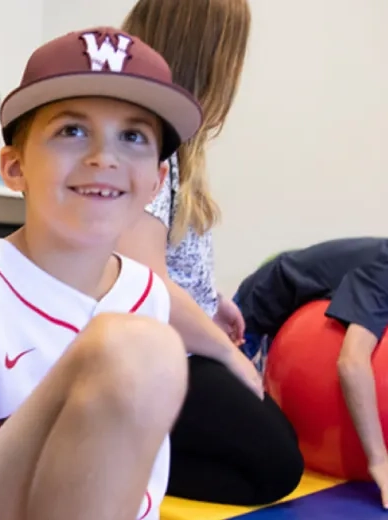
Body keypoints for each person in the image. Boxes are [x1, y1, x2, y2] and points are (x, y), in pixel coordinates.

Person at [0, 27, 201, 520]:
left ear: (158, 181)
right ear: (14, 168)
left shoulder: (148, 295)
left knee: (146, 351)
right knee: (138, 349)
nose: (104, 157)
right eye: (72, 130)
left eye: (133, 136)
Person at [116, 0, 305, 507]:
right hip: (147, 355)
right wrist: (227, 353)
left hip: (178, 343)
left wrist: (209, 298)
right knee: (276, 464)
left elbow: (163, 253)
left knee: (278, 451)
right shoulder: (146, 145)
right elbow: (142, 280)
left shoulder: (176, 148)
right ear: (211, 59)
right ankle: (102, 461)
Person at [234, 237, 388, 508]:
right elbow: (351, 363)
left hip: (302, 292)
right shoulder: (383, 273)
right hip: (262, 306)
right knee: (238, 426)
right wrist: (380, 462)